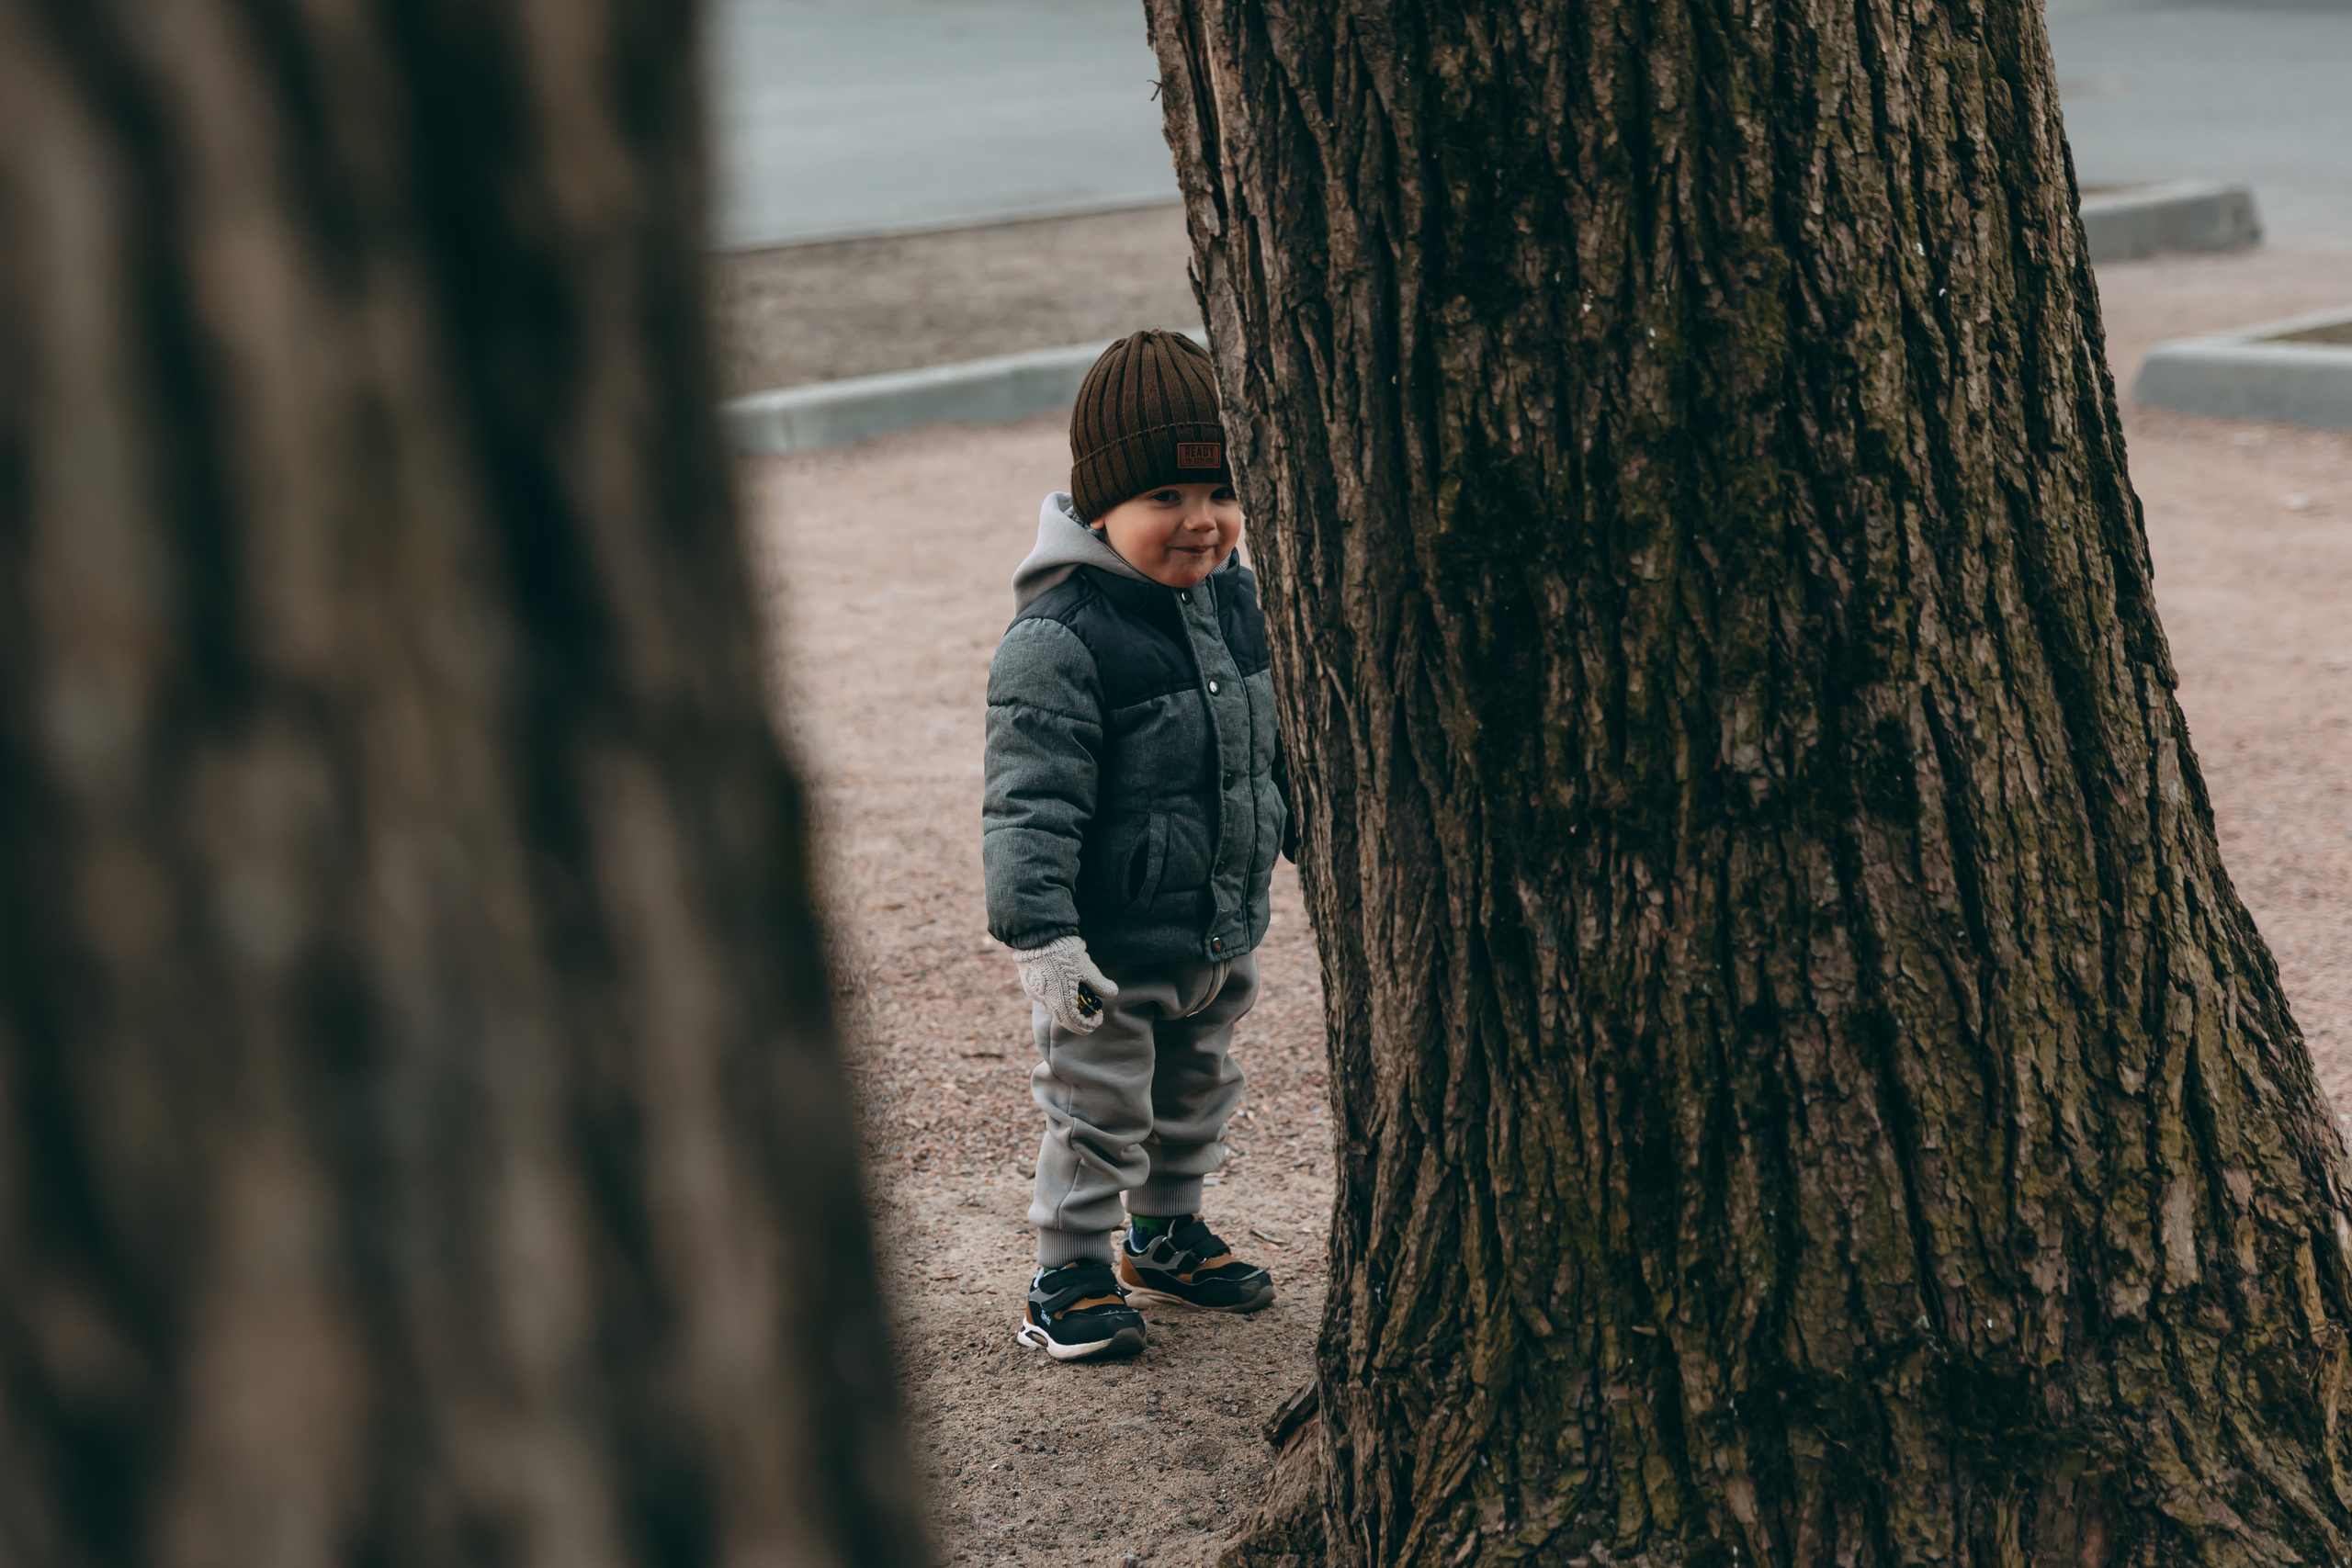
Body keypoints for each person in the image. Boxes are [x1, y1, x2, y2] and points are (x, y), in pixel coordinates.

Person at [983, 329, 1294, 1361]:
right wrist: (1045, 941)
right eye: (1164, 498)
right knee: (1097, 1108)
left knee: (1194, 1090)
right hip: (1105, 951)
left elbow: (1268, 742)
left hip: (1212, 926)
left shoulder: (1238, 601)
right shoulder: (1059, 639)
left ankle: (1163, 1235)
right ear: (1100, 505)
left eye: (1218, 491)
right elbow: (1028, 803)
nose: (1200, 522)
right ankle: (1065, 1269)